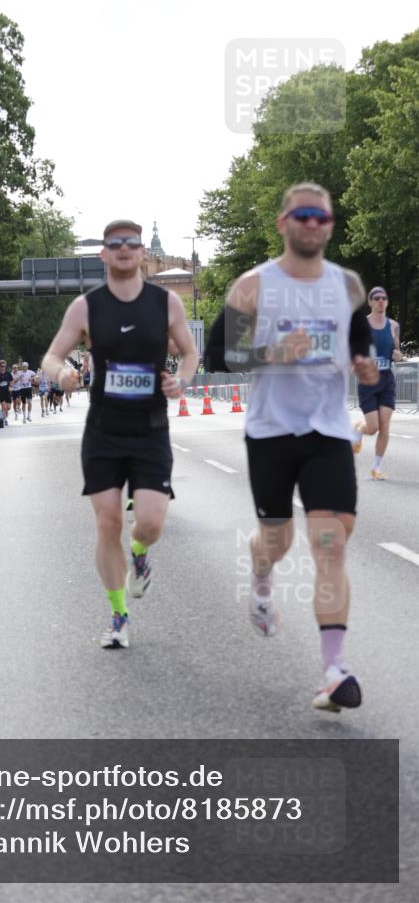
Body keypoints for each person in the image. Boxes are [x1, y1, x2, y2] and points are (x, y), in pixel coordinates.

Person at [204, 182, 379, 712]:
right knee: (277, 542)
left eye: (321, 217)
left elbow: (357, 344)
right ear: (284, 223)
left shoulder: (347, 285)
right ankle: (262, 579)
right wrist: (276, 350)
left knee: (330, 542)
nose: (312, 224)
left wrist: (364, 364)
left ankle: (333, 671)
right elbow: (220, 356)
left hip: (326, 430)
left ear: (329, 226)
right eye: (303, 215)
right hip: (270, 433)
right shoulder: (253, 287)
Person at [42, 219, 198, 649]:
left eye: (132, 243)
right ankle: (117, 614)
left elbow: (189, 352)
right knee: (107, 521)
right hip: (104, 430)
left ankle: (140, 554)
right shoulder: (85, 308)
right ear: (104, 254)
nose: (125, 249)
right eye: (116, 244)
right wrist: (63, 373)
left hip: (150, 430)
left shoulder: (167, 304)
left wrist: (181, 381)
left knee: (148, 522)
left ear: (143, 252)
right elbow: (51, 356)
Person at [351, 287, 402, 479]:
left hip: (386, 381)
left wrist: (398, 355)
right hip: (368, 380)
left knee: (385, 425)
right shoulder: (361, 324)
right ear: (370, 302)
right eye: (376, 298)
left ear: (387, 302)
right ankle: (359, 428)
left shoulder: (393, 326)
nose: (381, 301)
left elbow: (396, 351)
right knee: (372, 428)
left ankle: (376, 467)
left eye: (384, 298)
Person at [0, 360, 13, 425]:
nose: (3, 367)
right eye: (1, 366)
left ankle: (5, 413)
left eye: (4, 366)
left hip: (7, 392)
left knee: (8, 407)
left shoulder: (8, 373)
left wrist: (10, 386)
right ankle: (5, 420)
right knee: (4, 406)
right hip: (1, 392)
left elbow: (11, 380)